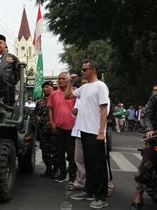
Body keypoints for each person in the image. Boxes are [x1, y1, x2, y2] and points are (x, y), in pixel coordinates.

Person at [66, 60, 110, 209]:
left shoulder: (101, 86)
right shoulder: (84, 87)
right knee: (89, 165)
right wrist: (70, 82)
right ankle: (89, 191)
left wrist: (101, 132)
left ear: (92, 70)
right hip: (83, 131)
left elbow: (104, 110)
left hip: (95, 133)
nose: (82, 72)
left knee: (98, 166)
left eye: (84, 69)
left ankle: (101, 196)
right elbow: (67, 96)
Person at [130, 84, 157, 210]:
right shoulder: (156, 98)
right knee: (147, 163)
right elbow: (146, 115)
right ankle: (139, 195)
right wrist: (149, 129)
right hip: (156, 136)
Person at [48, 72, 76, 183]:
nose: (60, 80)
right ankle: (63, 175)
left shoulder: (75, 92)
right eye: (59, 78)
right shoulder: (53, 94)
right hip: (58, 127)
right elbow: (50, 109)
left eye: (63, 78)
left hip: (72, 128)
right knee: (59, 152)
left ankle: (73, 176)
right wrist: (51, 122)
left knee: (72, 154)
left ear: (69, 80)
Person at [35, 81, 57, 178]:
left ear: (52, 88)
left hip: (55, 130)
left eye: (47, 87)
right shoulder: (40, 101)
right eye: (44, 87)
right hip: (43, 130)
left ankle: (56, 170)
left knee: (56, 151)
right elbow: (35, 113)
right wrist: (37, 117)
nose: (45, 89)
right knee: (45, 151)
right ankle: (48, 169)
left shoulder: (57, 98)